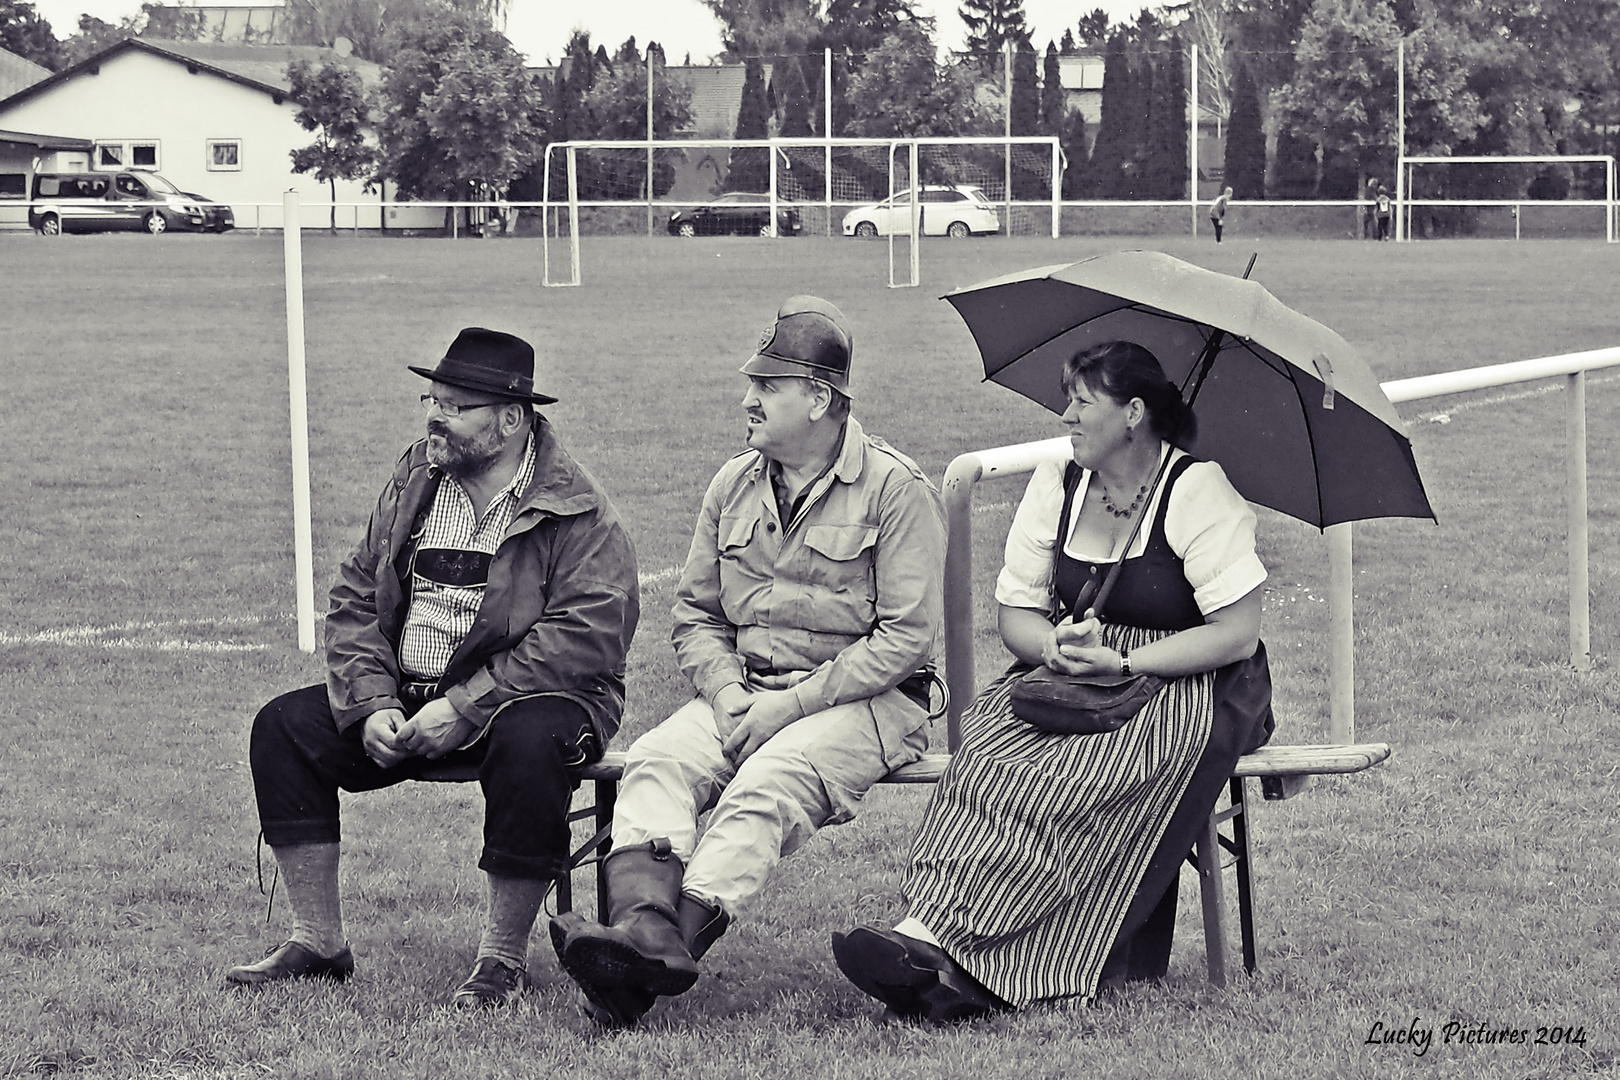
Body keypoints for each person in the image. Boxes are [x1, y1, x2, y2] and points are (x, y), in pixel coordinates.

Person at [832, 339, 1273, 1021]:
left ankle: (995, 970)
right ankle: (928, 938)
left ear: (1132, 413)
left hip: (1189, 675)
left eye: (1081, 401)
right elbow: (1018, 615)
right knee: (986, 754)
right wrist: (1056, 646)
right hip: (1077, 671)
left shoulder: (1195, 489)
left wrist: (1126, 663)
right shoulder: (1058, 479)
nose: (1065, 414)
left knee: (1084, 774)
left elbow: (1235, 632)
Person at [549, 296, 946, 1027]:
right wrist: (731, 696)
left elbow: (904, 641)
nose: (747, 400)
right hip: (745, 693)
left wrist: (784, 709)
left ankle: (644, 964)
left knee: (769, 780)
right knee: (658, 760)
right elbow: (696, 615)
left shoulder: (897, 491)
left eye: (766, 386)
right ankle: (645, 938)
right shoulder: (733, 482)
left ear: (819, 398)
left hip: (869, 704)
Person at [226, 328, 640, 1010]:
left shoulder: (579, 508)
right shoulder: (417, 475)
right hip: (413, 697)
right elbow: (357, 592)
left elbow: (587, 636)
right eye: (432, 398)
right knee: (283, 726)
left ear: (511, 420)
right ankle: (319, 941)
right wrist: (372, 702)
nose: (434, 416)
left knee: (532, 742)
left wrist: (468, 705)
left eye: (455, 405)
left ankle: (500, 963)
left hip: (537, 699)